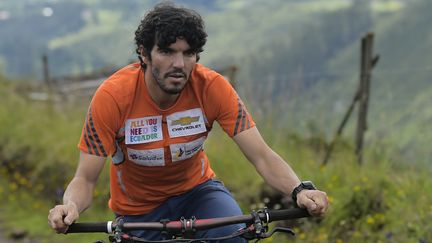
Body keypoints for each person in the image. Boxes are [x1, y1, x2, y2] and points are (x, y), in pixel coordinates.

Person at [48, 2, 328, 242]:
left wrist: (299, 190)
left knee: (235, 235)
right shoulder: (112, 97)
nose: (180, 64)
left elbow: (263, 156)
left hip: (199, 193)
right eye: (167, 52)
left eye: (189, 53)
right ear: (144, 54)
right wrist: (70, 206)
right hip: (136, 209)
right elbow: (85, 178)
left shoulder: (213, 87)